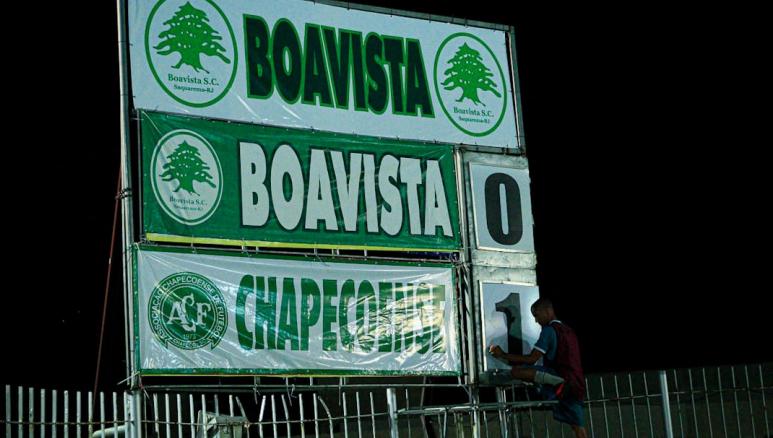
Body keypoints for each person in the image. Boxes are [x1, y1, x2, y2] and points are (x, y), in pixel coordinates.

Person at [489, 297, 587, 438]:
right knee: (578, 427)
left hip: (564, 381)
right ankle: (550, 383)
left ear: (548, 311)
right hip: (577, 383)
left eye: (536, 315)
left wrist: (503, 354)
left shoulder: (548, 330)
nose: (536, 320)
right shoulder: (568, 330)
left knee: (517, 371)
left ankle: (554, 383)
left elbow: (531, 359)